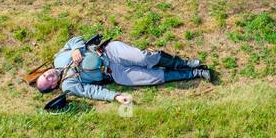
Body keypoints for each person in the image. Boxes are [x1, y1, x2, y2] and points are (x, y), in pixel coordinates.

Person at [34, 36, 212, 104]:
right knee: (153, 77)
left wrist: (75, 50)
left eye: (44, 74)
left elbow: (76, 39)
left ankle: (187, 63)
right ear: (53, 86)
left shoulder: (58, 58)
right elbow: (92, 91)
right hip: (114, 73)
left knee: (145, 58)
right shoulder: (68, 85)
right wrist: (115, 96)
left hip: (111, 52)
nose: (48, 75)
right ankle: (196, 73)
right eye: (47, 80)